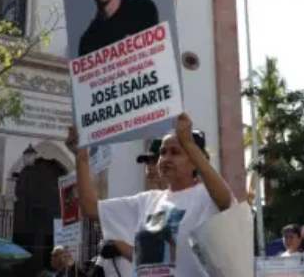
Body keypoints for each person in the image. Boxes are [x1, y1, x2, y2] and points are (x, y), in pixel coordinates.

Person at [67, 113, 233, 277]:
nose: (166, 158)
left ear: (195, 161)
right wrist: (81, 158)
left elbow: (225, 200)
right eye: (163, 152)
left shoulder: (206, 196)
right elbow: (90, 208)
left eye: (175, 152)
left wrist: (188, 143)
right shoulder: (146, 201)